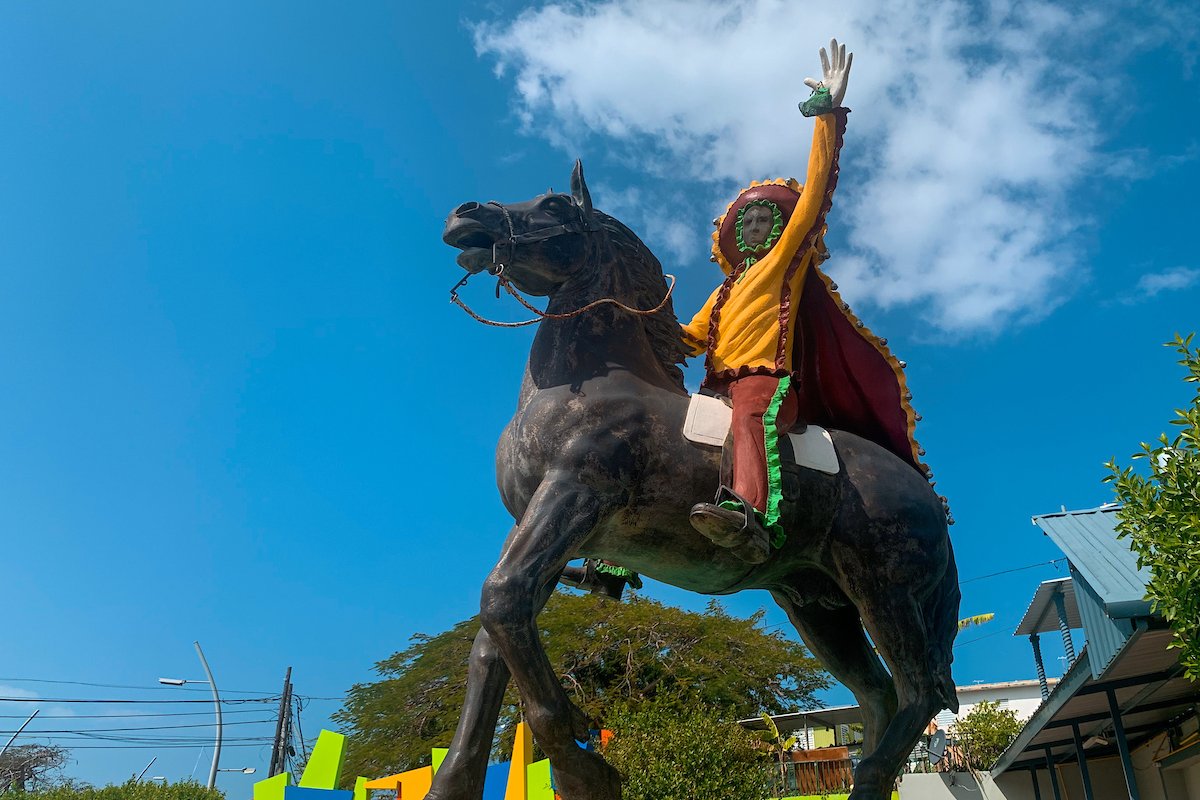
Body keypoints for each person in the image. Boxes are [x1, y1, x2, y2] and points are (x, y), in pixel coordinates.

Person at [683, 39, 855, 564]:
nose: (756, 225)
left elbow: (817, 192)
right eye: (748, 220)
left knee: (750, 418)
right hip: (715, 387)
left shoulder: (785, 261)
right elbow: (683, 340)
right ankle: (613, 561)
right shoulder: (720, 293)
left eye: (765, 219)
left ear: (781, 228)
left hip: (763, 384)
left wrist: (826, 114)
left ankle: (752, 517)